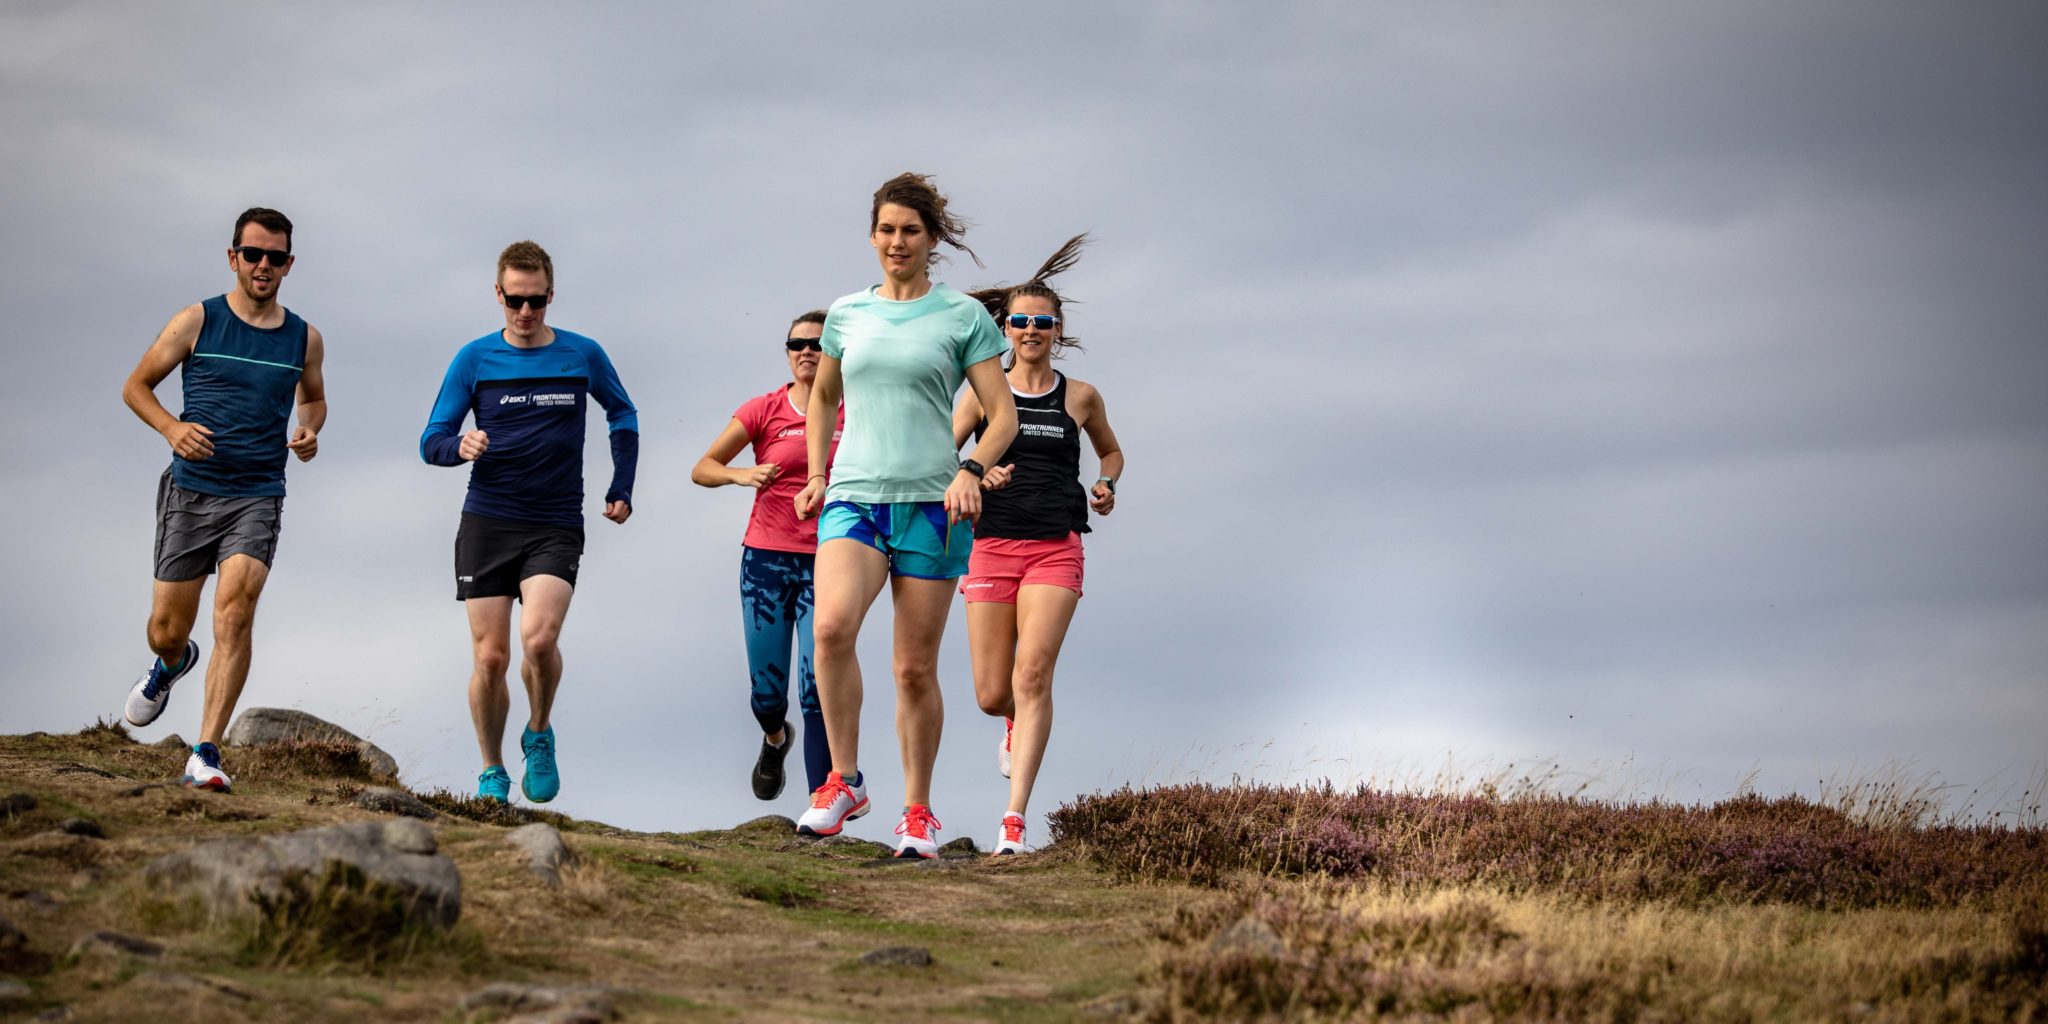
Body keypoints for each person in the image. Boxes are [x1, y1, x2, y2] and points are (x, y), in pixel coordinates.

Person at [791, 172, 1018, 858]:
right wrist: (816, 474)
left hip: (931, 506)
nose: (897, 242)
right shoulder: (845, 315)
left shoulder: (961, 318)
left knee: (913, 668)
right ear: (872, 236)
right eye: (886, 230)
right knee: (829, 630)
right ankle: (844, 780)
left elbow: (1001, 415)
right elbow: (823, 397)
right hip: (855, 496)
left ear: (931, 239)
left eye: (910, 231)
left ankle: (917, 813)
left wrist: (971, 470)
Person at [420, 241, 638, 805]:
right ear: (498, 294)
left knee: (538, 641)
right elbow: (431, 440)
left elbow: (623, 412)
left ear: (550, 295)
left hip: (554, 521)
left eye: (536, 301)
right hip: (488, 521)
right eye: (515, 300)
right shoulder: (474, 359)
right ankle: (492, 768)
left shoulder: (581, 354)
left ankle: (538, 733)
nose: (525, 312)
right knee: (491, 657)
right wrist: (460, 445)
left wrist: (622, 486)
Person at [120, 207, 328, 793]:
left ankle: (204, 753)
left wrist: (309, 429)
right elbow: (136, 386)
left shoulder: (303, 337)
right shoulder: (197, 320)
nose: (265, 266)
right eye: (254, 254)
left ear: (290, 264)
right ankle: (170, 663)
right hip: (192, 491)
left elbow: (313, 399)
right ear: (233, 257)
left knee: (235, 611)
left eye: (277, 257)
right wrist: (170, 428)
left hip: (258, 493)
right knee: (165, 628)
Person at [955, 236, 1123, 855]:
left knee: (1034, 674)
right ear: (1005, 329)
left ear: (1057, 330)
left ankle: (1014, 819)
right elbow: (945, 453)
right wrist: (975, 470)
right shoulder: (981, 395)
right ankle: (1009, 724)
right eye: (1020, 321)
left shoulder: (1079, 396)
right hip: (993, 544)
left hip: (1056, 545)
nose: (1030, 330)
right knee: (993, 693)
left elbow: (1111, 448)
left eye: (1042, 322)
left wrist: (1105, 482)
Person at [691, 309, 844, 801]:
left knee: (815, 685)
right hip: (766, 561)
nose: (807, 352)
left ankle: (823, 803)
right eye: (797, 343)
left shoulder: (856, 410)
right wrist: (742, 475)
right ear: (787, 351)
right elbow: (703, 467)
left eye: (818, 345)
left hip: (831, 559)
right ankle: (775, 739)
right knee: (768, 693)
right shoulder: (764, 409)